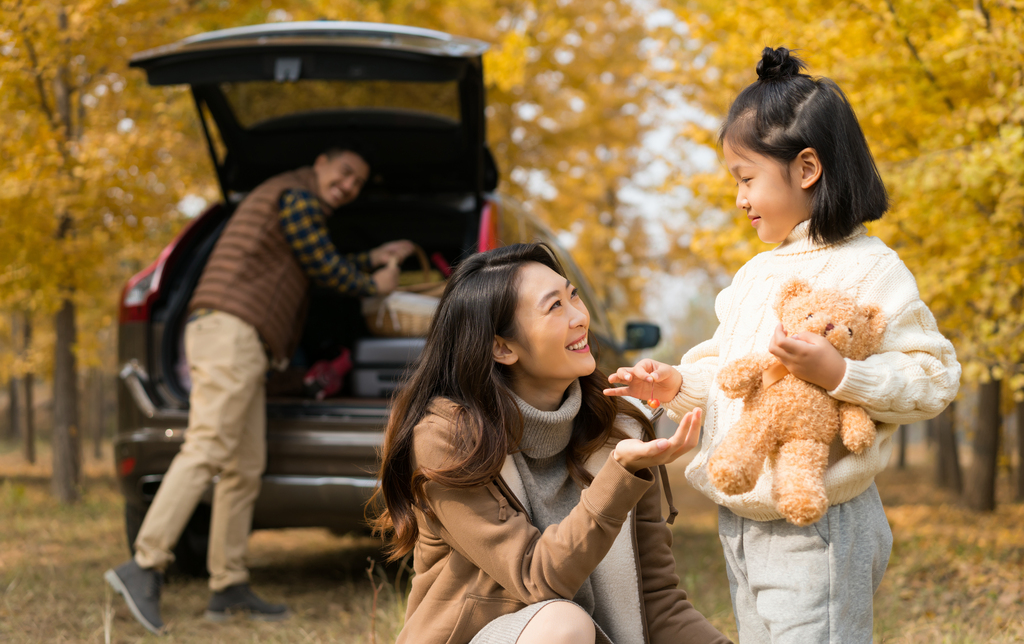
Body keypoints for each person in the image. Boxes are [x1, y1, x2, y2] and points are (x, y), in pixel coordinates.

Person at [605, 47, 961, 643]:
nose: (739, 199)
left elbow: (933, 377)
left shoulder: (870, 270)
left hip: (817, 522)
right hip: (742, 519)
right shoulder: (755, 275)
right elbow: (735, 373)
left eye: (747, 179)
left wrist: (840, 375)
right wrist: (678, 385)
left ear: (806, 168)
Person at [105, 148, 418, 634]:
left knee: (243, 465)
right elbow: (322, 267)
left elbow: (314, 259)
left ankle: (227, 585)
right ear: (322, 160)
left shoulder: (291, 202)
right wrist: (371, 282)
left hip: (244, 340)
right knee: (208, 445)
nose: (350, 186)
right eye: (346, 172)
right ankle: (144, 564)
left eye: (358, 182)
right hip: (231, 333)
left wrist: (370, 259)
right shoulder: (296, 196)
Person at [370, 243, 731, 644]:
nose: (580, 317)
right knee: (562, 623)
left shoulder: (622, 431)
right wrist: (618, 477)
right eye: (554, 307)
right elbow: (536, 577)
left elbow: (658, 603)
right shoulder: (449, 440)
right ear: (502, 347)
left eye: (572, 295)